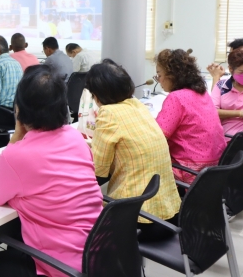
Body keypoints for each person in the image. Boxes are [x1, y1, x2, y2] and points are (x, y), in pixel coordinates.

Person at [0, 65, 103, 277]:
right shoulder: (75, 137)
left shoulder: (17, 156)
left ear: (19, 109)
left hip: (60, 267)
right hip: (97, 255)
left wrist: (15, 137)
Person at [86, 59, 181, 242]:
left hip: (140, 219)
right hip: (169, 213)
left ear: (96, 95)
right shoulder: (137, 105)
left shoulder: (108, 113)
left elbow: (98, 171)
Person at [154, 49, 226, 184]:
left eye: (159, 74)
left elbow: (157, 138)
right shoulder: (202, 93)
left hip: (190, 172)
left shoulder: (176, 98)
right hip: (214, 171)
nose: (159, 80)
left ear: (172, 75)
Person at [211, 49, 243, 137]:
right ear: (231, 69)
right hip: (227, 137)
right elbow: (212, 111)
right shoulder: (221, 86)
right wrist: (239, 113)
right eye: (241, 72)